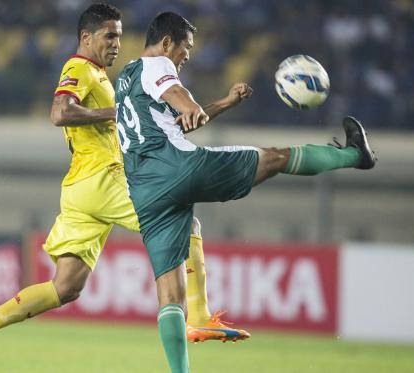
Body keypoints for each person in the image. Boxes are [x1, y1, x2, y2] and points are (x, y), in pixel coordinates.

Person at [0, 4, 248, 373]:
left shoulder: (107, 79)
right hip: (102, 178)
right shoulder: (78, 67)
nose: (116, 44)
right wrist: (113, 112)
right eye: (109, 36)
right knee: (182, 221)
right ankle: (199, 315)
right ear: (86, 37)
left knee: (66, 287)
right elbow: (59, 113)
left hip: (81, 191)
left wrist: (224, 102)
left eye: (120, 37)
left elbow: (178, 121)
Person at [114, 11, 377, 372]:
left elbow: (170, 124)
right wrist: (189, 103)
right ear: (166, 43)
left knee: (170, 296)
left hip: (144, 191)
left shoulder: (124, 79)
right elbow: (176, 95)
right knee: (274, 158)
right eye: (185, 48)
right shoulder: (157, 65)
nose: (187, 55)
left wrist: (221, 103)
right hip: (177, 167)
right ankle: (354, 155)